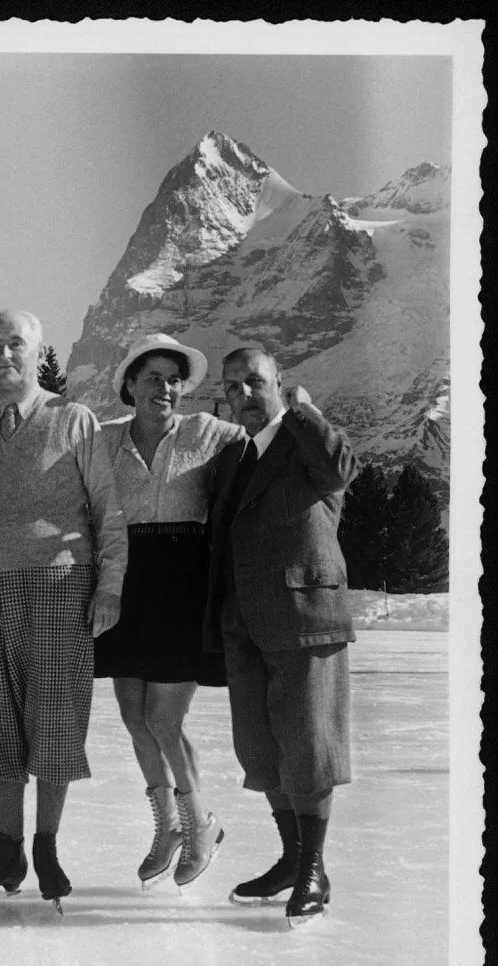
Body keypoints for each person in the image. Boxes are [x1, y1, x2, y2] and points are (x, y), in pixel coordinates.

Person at [0, 309, 127, 909]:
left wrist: (111, 584)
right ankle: (8, 851)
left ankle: (46, 846)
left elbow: (108, 508)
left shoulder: (73, 419)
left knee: (54, 717)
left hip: (59, 584)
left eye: (16, 344)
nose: (5, 354)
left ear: (36, 350)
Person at [204, 346, 358, 927]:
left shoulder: (304, 443)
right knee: (262, 749)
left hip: (304, 615)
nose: (244, 395)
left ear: (279, 385)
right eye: (233, 386)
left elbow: (342, 468)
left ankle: (314, 868)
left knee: (309, 744)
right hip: (244, 622)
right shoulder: (231, 458)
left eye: (255, 382)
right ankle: (293, 859)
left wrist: (304, 413)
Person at [94, 333, 243, 890]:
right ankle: (170, 826)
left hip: (183, 582)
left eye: (174, 379)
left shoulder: (211, 432)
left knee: (164, 719)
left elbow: (268, 436)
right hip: (122, 578)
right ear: (130, 384)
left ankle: (200, 821)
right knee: (134, 717)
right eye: (153, 377)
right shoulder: (102, 439)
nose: (166, 388)